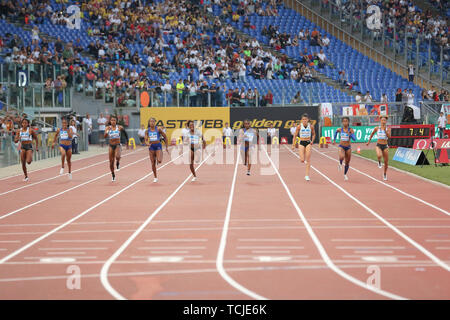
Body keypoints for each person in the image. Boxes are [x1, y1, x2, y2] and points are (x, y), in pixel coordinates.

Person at [292, 114, 316, 181]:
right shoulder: (299, 126)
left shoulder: (311, 126)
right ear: (301, 120)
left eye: (305, 119)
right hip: (301, 142)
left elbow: (314, 134)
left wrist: (312, 141)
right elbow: (295, 135)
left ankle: (307, 175)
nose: (304, 120)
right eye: (303, 119)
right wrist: (293, 145)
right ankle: (303, 155)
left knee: (308, 160)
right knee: (302, 160)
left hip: (308, 142)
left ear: (308, 120)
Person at [366, 116, 391, 181]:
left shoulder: (387, 128)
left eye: (384, 120)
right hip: (379, 145)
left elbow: (389, 136)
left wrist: (385, 131)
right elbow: (372, 134)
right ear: (380, 121)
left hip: (385, 145)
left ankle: (385, 174)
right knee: (379, 155)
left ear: (386, 121)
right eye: (382, 120)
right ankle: (379, 162)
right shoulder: (377, 128)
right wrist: (369, 141)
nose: (383, 122)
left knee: (386, 162)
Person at [145, 117, 169, 183]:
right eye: (150, 122)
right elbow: (146, 140)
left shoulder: (158, 129)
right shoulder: (147, 131)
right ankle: (155, 177)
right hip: (151, 147)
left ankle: (159, 155)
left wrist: (166, 147)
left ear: (155, 122)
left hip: (158, 145)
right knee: (153, 163)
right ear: (149, 123)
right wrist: (147, 144)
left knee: (159, 161)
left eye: (153, 121)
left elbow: (165, 137)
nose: (152, 123)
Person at [105, 116, 123, 182]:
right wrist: (107, 132)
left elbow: (125, 133)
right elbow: (105, 136)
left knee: (117, 156)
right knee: (111, 162)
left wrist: (127, 141)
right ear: (110, 121)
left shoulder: (119, 127)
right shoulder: (108, 128)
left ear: (116, 121)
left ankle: (118, 162)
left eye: (114, 120)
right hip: (111, 145)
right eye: (112, 120)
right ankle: (113, 175)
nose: (113, 121)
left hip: (117, 144)